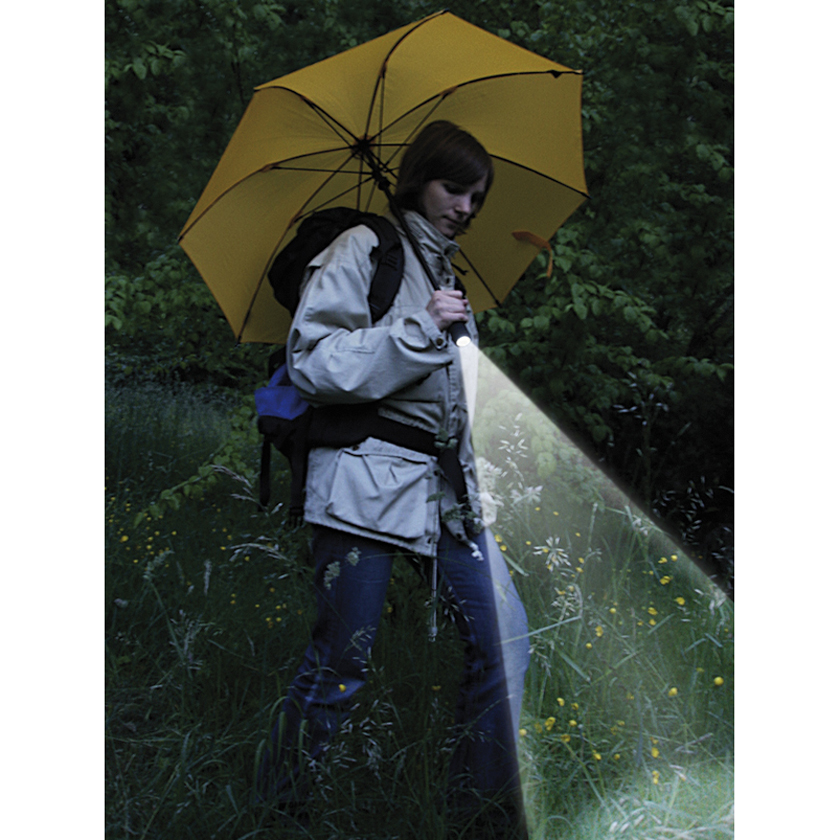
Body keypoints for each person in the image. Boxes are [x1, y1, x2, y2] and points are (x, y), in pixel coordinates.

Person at [256, 121, 531, 838]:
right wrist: (421, 328)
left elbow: (452, 409)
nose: (466, 208)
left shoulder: (448, 278)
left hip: (445, 494)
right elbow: (314, 362)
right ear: (417, 181)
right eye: (454, 189)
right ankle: (278, 816)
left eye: (477, 197)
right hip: (360, 483)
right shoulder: (363, 248)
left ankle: (472, 818)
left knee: (506, 642)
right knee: (340, 667)